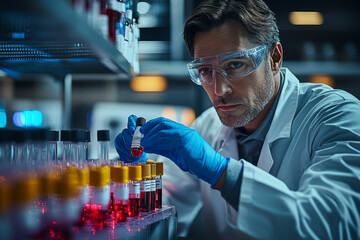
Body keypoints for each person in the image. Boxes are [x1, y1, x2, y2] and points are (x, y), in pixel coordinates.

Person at [115, 0, 360, 239]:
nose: (220, 89)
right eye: (205, 71)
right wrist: (138, 173)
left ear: (274, 58)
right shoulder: (206, 126)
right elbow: (161, 211)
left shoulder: (337, 116)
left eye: (235, 64)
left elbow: (333, 225)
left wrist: (223, 173)